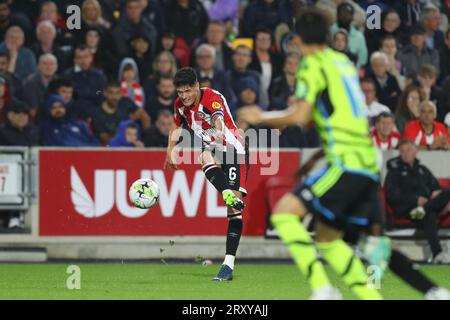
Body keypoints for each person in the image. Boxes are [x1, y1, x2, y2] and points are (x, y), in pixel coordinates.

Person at [238, 9, 382, 300]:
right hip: (366, 158)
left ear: (298, 39)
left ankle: (322, 288)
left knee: (284, 215)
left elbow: (300, 115)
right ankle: (371, 297)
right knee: (328, 239)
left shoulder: (312, 64)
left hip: (346, 160)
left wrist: (260, 116)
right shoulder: (342, 62)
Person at [164, 67, 247, 282]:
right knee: (204, 157)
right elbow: (176, 123)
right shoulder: (180, 105)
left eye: (187, 91)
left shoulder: (212, 97)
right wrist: (170, 150)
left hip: (234, 150)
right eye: (180, 92)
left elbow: (218, 117)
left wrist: (218, 130)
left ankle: (228, 264)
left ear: (196, 86)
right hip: (213, 148)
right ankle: (227, 192)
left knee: (233, 211)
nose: (183, 96)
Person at [385, 139, 450, 264]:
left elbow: (435, 187)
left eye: (408, 150)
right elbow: (392, 196)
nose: (405, 153)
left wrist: (436, 191)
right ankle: (437, 254)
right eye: (402, 151)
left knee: (447, 192)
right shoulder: (394, 171)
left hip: (423, 208)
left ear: (415, 152)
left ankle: (425, 209)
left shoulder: (422, 170)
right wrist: (416, 200)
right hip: (408, 209)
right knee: (429, 215)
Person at [330, 2, 368, 68]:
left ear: (352, 17)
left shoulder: (359, 36)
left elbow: (363, 60)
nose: (345, 16)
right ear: (337, 15)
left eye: (348, 13)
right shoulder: (328, 33)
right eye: (342, 13)